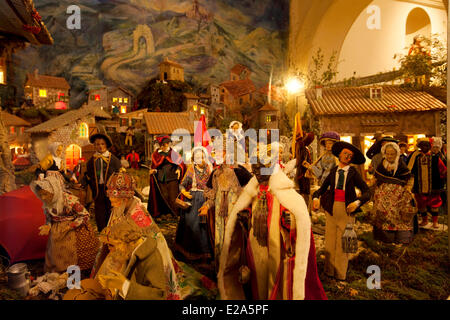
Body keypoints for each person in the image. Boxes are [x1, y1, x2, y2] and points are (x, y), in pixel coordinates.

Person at [217, 151, 327, 300]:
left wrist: (290, 221)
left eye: (261, 169)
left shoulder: (284, 192)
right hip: (256, 242)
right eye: (255, 170)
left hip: (277, 243)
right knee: (257, 272)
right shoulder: (252, 191)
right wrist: (245, 215)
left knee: (274, 274)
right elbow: (247, 210)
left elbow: (296, 218)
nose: (257, 174)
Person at [92, 170, 217, 300]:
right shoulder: (119, 208)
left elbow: (153, 244)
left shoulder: (138, 215)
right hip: (120, 251)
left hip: (140, 258)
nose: (112, 204)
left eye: (114, 201)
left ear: (124, 199)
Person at [312, 141, 370, 281]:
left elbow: (367, 192)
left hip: (346, 211)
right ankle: (328, 271)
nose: (347, 157)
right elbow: (322, 188)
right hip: (332, 210)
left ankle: (340, 274)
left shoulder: (353, 173)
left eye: (350, 156)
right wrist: (316, 197)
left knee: (344, 243)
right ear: (339, 154)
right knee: (330, 242)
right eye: (345, 153)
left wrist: (357, 202)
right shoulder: (333, 171)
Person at [199, 140, 252, 271]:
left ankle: (234, 271)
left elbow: (251, 189)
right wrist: (206, 206)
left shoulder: (240, 171)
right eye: (214, 152)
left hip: (235, 213)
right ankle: (220, 271)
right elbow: (212, 194)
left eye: (218, 152)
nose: (215, 155)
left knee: (234, 241)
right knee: (219, 241)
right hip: (219, 216)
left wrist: (244, 206)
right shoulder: (216, 173)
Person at [30, 175, 99, 273]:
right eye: (40, 195)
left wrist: (70, 226)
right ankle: (60, 272)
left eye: (45, 194)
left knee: (73, 251)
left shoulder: (68, 200)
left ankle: (77, 272)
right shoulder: (48, 204)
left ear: (53, 190)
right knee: (56, 252)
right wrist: (48, 225)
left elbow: (85, 215)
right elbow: (50, 217)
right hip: (57, 232)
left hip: (74, 229)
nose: (43, 198)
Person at [371, 142, 416, 244]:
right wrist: (373, 183)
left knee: (399, 216)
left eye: (392, 154)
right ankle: (385, 238)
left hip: (398, 196)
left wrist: (408, 188)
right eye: (388, 154)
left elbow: (409, 177)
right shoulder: (382, 164)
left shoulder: (400, 164)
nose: (390, 156)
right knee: (382, 216)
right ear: (384, 153)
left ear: (397, 154)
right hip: (383, 195)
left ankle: (401, 238)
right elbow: (377, 177)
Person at [174, 146, 213, 263]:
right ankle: (188, 252)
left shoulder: (208, 169)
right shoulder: (191, 170)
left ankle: (204, 253)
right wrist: (184, 192)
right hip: (193, 200)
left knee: (204, 227)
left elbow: (211, 185)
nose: (200, 160)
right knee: (191, 225)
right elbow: (182, 184)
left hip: (205, 200)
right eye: (197, 158)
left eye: (201, 157)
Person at [81, 133, 121, 232]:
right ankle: (102, 230)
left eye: (102, 144)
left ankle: (111, 230)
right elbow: (87, 175)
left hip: (111, 191)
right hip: (97, 190)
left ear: (106, 145)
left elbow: (119, 174)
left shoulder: (113, 160)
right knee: (99, 211)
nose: (100, 146)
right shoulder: (92, 161)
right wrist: (83, 183)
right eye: (97, 144)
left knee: (111, 209)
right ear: (94, 146)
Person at [407, 138, 447, 229]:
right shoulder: (416, 158)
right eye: (422, 146)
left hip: (433, 186)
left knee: (434, 203)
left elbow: (443, 170)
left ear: (430, 147)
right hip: (419, 186)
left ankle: (435, 222)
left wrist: (444, 178)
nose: (424, 147)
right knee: (421, 204)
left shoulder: (436, 159)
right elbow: (411, 170)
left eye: (427, 146)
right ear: (420, 147)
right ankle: (424, 220)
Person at [147, 135, 185, 218]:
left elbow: (180, 163)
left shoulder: (172, 153)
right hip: (161, 178)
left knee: (173, 196)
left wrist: (179, 169)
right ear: (161, 145)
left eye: (168, 143)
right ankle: (164, 213)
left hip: (172, 177)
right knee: (163, 196)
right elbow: (155, 166)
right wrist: (154, 170)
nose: (168, 145)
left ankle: (175, 213)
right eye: (166, 144)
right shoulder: (156, 154)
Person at [295, 132, 315, 206]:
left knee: (304, 192)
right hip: (303, 174)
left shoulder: (303, 148)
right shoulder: (303, 149)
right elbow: (302, 162)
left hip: (302, 173)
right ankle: (305, 208)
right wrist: (308, 166)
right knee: (305, 192)